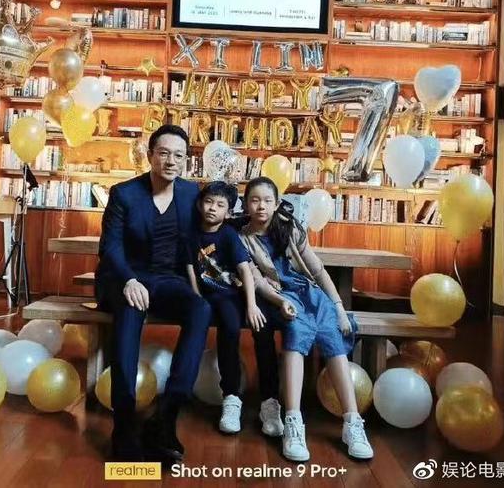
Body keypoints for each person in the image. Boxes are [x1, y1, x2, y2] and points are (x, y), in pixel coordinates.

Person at [95, 124, 212, 464]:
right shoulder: (124, 194)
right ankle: (124, 424)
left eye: (179, 155)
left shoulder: (190, 194)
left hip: (167, 279)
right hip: (125, 277)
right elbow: (110, 248)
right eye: (164, 153)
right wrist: (129, 280)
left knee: (201, 309)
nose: (171, 161)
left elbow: (217, 224)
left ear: (186, 160)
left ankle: (167, 416)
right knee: (130, 311)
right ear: (150, 156)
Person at [238, 176, 373, 462]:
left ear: (277, 204)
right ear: (246, 204)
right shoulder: (243, 238)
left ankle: (352, 423)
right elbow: (257, 280)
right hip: (282, 296)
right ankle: (293, 421)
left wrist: (338, 307)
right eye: (254, 200)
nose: (261, 206)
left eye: (267, 200)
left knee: (333, 339)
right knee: (295, 334)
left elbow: (318, 270)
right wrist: (281, 301)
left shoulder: (289, 228)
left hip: (310, 294)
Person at [185, 181, 284, 437]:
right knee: (226, 329)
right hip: (210, 298)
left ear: (229, 212)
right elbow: (190, 268)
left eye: (220, 205)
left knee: (254, 327)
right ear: (199, 204)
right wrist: (197, 297)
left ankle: (268, 401)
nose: (212, 208)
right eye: (208, 202)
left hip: (233, 295)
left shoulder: (229, 234)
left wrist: (251, 305)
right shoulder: (191, 234)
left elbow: (245, 271)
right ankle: (231, 397)